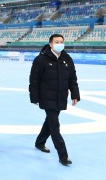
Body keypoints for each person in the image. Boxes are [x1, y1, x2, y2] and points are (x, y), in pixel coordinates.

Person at [29, 33, 80, 166]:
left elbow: (72, 78)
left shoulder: (67, 58)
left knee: (50, 122)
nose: (59, 44)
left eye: (61, 41)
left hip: (60, 96)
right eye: (56, 42)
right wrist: (34, 97)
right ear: (51, 44)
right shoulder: (41, 59)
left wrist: (75, 94)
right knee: (54, 125)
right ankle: (63, 155)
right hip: (46, 97)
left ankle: (40, 142)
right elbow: (34, 80)